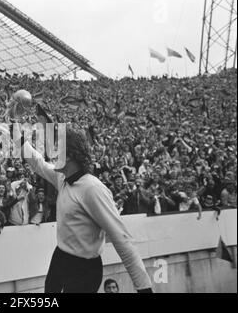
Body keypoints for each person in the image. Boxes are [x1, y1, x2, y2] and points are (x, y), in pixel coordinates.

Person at [14, 122, 153, 293]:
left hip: (85, 270)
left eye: (57, 149)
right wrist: (18, 138)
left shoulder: (93, 189)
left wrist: (144, 288)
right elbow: (39, 164)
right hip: (60, 259)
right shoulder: (62, 177)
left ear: (70, 155)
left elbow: (122, 239)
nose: (52, 153)